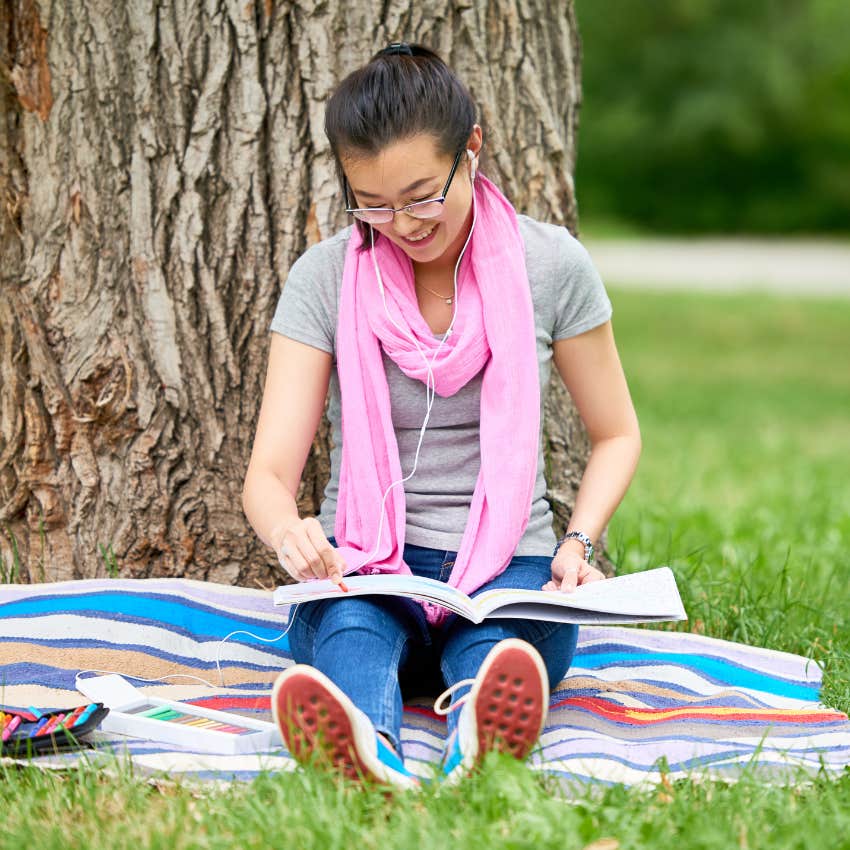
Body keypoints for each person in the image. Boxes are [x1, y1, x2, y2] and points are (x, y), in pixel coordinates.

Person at [242, 43, 641, 788]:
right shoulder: (325, 278)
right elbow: (268, 473)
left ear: (473, 149)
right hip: (363, 565)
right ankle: (364, 750)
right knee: (353, 629)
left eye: (424, 194)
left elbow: (616, 433)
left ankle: (481, 741)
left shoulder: (552, 266)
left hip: (508, 569)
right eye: (375, 204)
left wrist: (580, 542)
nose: (403, 223)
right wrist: (290, 533)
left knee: (499, 643)